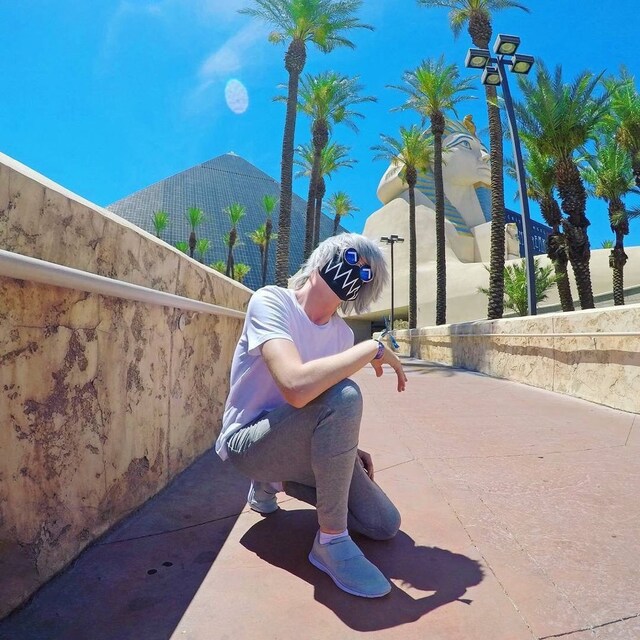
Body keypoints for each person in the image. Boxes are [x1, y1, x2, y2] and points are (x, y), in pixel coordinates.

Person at [215, 232, 407, 598]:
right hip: (249, 442)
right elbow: (296, 387)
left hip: (296, 441)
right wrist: (373, 348)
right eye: (349, 258)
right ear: (323, 256)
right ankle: (331, 541)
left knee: (384, 524)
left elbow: (321, 406)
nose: (354, 270)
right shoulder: (271, 301)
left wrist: (347, 447)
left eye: (365, 272)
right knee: (347, 393)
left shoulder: (341, 336)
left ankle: (273, 483)